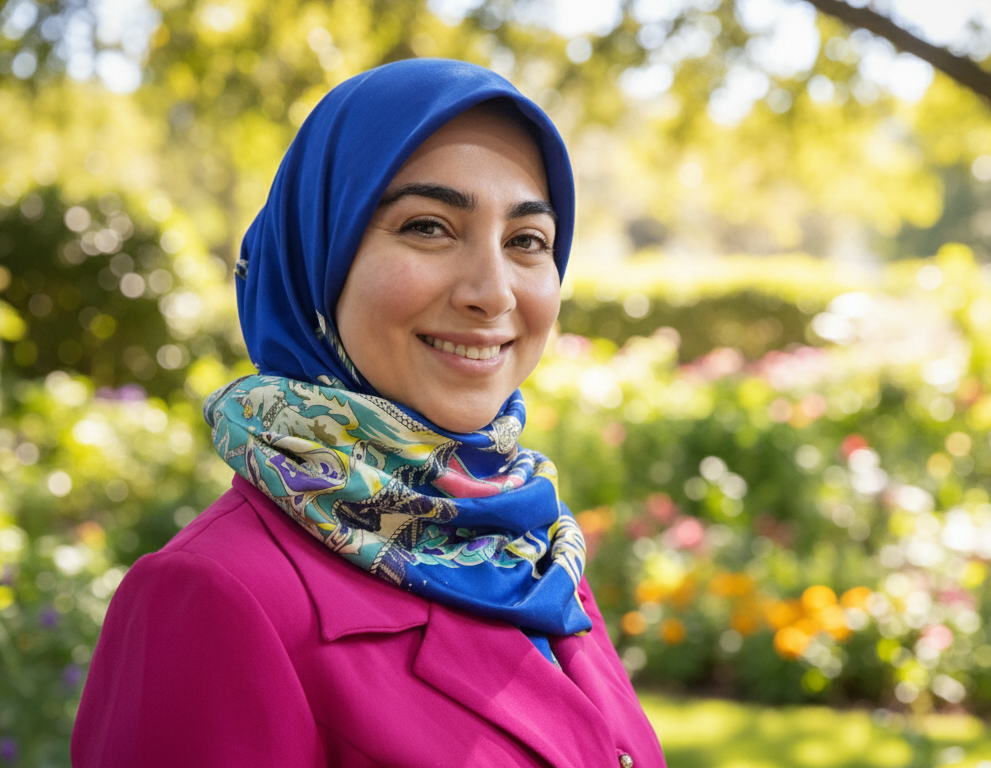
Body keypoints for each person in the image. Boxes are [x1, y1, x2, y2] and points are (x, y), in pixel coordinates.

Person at [72, 58, 666, 768]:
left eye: (526, 241)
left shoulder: (529, 546)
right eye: (428, 226)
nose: (493, 292)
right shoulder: (217, 596)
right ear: (318, 257)